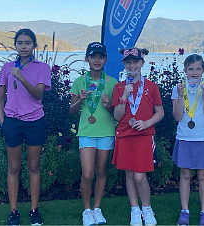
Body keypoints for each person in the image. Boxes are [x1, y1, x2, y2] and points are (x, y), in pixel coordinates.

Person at [0, 28, 51, 226]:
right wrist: (4, 122)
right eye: (20, 43)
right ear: (15, 45)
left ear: (34, 45)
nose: (24, 46)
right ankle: (13, 211)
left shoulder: (42, 67)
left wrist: (21, 78)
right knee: (13, 167)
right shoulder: (7, 68)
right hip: (13, 122)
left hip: (35, 121)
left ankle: (34, 210)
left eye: (28, 43)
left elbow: (38, 94)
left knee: (34, 166)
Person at [111, 47, 164, 226]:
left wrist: (147, 123)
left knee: (140, 176)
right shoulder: (119, 87)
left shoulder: (151, 86)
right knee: (129, 175)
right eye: (128, 62)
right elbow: (117, 116)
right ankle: (135, 209)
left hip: (144, 135)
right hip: (125, 135)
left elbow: (160, 112)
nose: (132, 65)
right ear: (124, 65)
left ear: (142, 63)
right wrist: (124, 96)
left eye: (135, 62)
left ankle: (147, 208)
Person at [70, 42, 117, 226]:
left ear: (105, 59)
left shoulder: (112, 82)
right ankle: (86, 210)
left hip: (106, 132)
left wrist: (108, 106)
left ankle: (97, 208)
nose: (97, 60)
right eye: (93, 56)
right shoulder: (79, 82)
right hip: (86, 132)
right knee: (88, 173)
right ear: (87, 59)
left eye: (101, 56)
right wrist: (80, 100)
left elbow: (117, 111)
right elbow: (72, 111)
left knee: (101, 170)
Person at [171, 54, 204, 225]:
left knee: (203, 175)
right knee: (185, 174)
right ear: (185, 71)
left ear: (203, 70)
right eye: (191, 69)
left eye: (198, 69)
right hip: (185, 136)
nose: (194, 72)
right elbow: (177, 116)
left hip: (203, 137)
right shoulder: (179, 88)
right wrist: (181, 96)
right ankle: (185, 210)